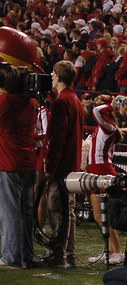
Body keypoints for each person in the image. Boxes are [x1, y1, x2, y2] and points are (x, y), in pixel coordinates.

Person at [41, 60, 85, 269]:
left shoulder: (62, 102)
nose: (51, 77)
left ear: (58, 77)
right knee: (69, 212)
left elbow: (57, 139)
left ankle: (58, 254)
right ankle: (69, 253)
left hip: (62, 167)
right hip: (73, 166)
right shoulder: (75, 99)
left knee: (57, 210)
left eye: (53, 74)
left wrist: (50, 168)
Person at [0, 63, 38, 269]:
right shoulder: (30, 101)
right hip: (27, 161)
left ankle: (11, 256)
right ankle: (25, 254)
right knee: (25, 210)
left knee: (10, 211)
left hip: (9, 162)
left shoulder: (4, 102)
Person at [84, 93, 125, 265]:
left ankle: (116, 251)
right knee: (99, 215)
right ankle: (109, 250)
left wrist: (111, 104)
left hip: (102, 171)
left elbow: (97, 110)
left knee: (102, 216)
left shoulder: (109, 126)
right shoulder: (103, 127)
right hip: (96, 171)